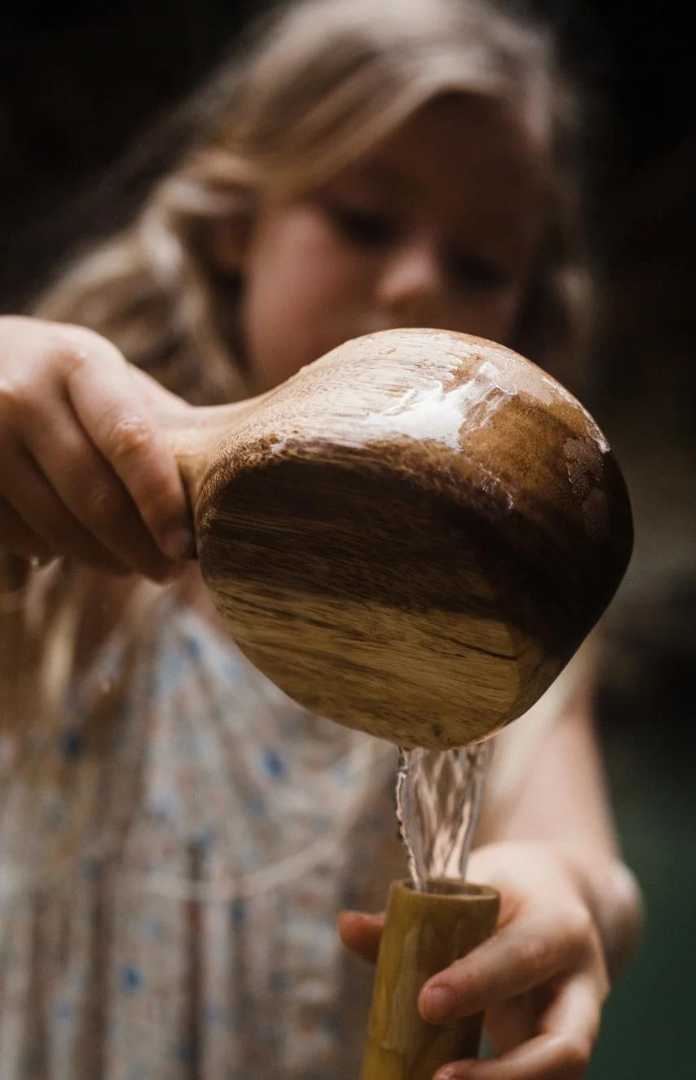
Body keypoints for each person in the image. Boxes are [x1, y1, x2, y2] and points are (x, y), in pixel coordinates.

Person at [0, 0, 643, 1077]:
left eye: (479, 261)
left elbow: (589, 865)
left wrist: (561, 894)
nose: (416, 281)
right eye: (363, 220)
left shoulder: (484, 623)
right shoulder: (55, 555)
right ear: (236, 225)